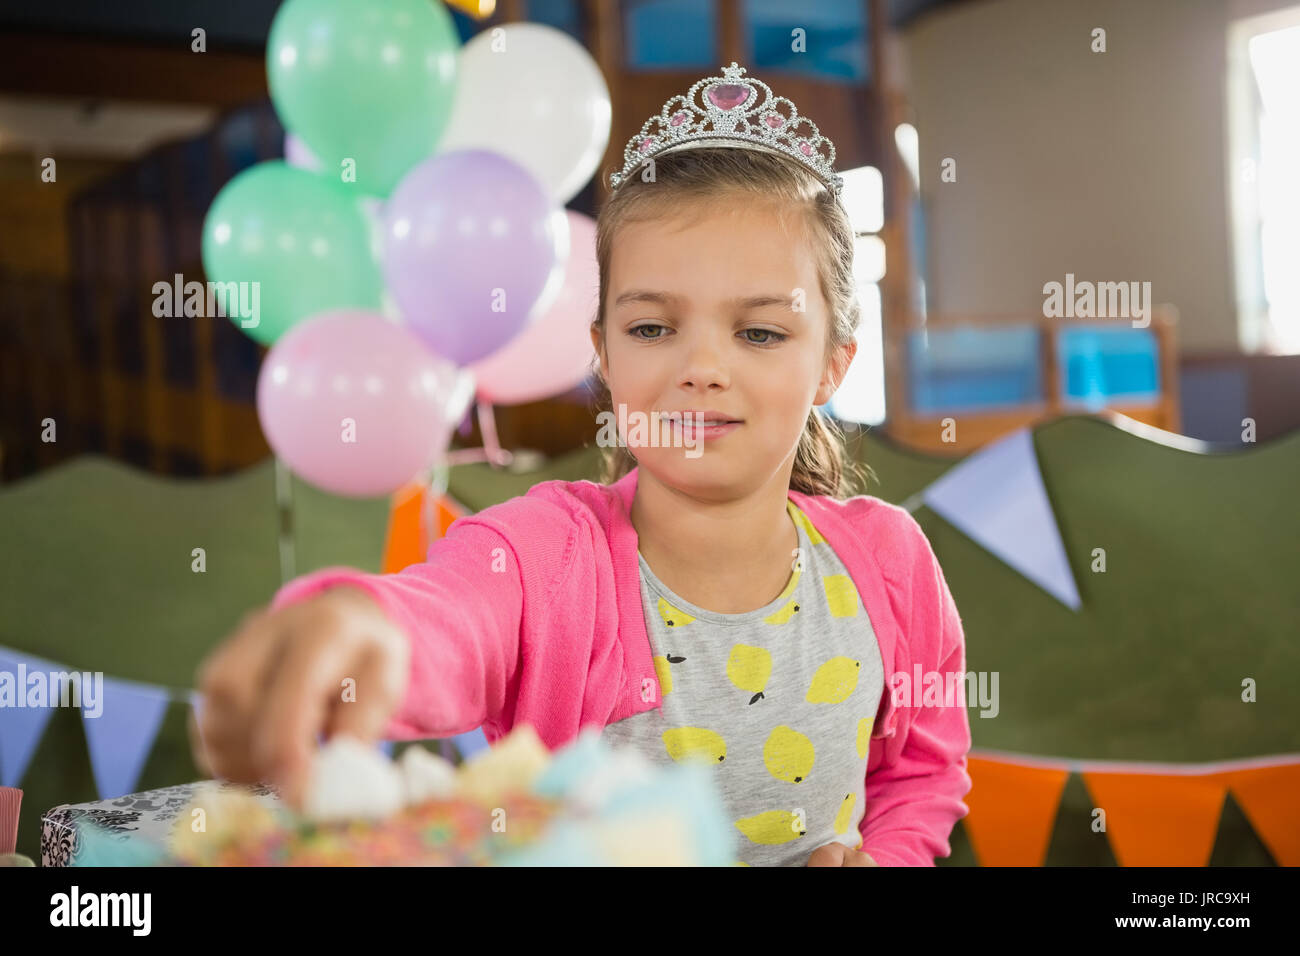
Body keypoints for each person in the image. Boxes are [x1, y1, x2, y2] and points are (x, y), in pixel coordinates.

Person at [194, 63, 972, 867]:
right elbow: (447, 617)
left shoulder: (893, 564)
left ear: (832, 367)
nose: (701, 365)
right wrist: (359, 626)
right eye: (651, 328)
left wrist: (881, 860)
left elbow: (921, 771)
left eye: (761, 333)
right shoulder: (546, 560)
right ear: (603, 355)